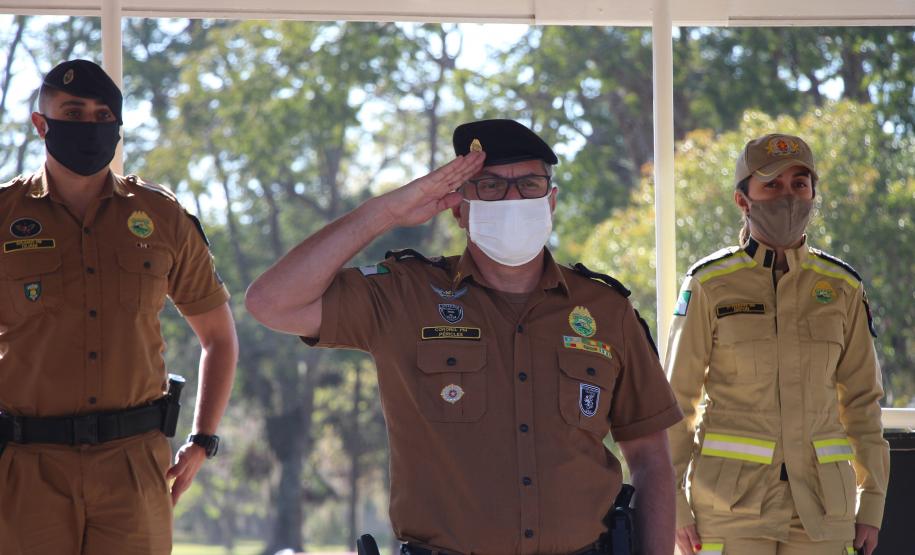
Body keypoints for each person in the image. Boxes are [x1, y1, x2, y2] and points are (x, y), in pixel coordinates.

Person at [246, 118, 683, 554]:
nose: (513, 198)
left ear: (550, 202)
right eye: (490, 186)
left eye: (529, 184)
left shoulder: (606, 310)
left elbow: (650, 459)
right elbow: (272, 303)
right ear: (458, 208)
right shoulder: (405, 293)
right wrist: (386, 212)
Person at [0, 59, 238, 554]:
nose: (89, 124)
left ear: (118, 126)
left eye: (102, 114)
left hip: (133, 469)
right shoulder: (5, 216)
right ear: (41, 124)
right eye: (74, 111)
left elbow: (218, 336)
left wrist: (202, 439)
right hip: (26, 468)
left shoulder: (161, 215)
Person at [665, 134, 889, 555]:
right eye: (772, 185)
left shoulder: (842, 286)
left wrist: (872, 501)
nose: (788, 196)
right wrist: (673, 504)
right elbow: (677, 402)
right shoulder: (709, 284)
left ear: (813, 194)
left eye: (799, 185)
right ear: (742, 200)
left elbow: (862, 401)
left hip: (826, 508)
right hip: (730, 509)